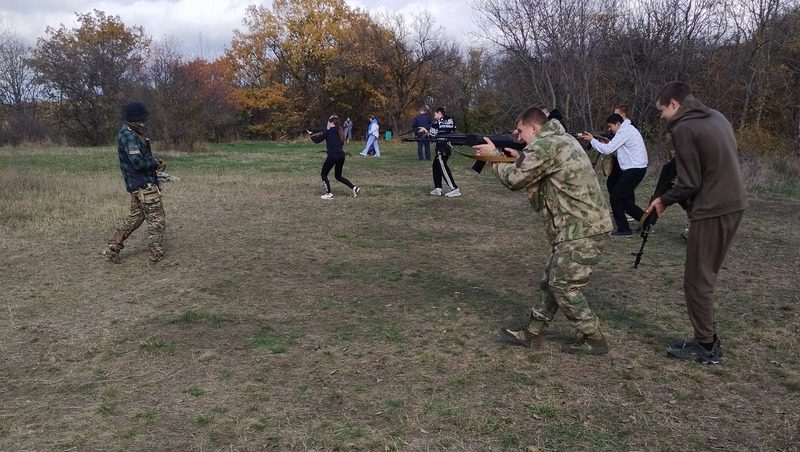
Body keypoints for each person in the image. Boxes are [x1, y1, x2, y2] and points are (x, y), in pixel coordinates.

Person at [473, 106, 613, 354]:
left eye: (520, 130)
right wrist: (518, 158)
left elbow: (515, 180)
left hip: (581, 228)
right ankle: (532, 332)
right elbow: (542, 168)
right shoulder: (561, 140)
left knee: (563, 285)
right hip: (577, 227)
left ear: (534, 127)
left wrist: (493, 156)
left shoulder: (546, 145)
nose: (517, 136)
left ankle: (593, 337)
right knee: (551, 280)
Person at [645, 81, 747, 364]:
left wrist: (663, 200)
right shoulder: (716, 116)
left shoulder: (684, 128)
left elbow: (689, 182)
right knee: (704, 277)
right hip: (734, 203)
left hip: (713, 209)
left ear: (674, 104)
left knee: (697, 281)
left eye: (661, 110)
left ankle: (706, 345)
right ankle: (706, 339)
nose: (661, 116)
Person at [102, 101, 166, 265]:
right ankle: (156, 256)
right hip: (143, 185)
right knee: (157, 220)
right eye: (142, 116)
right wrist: (155, 162)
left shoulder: (133, 132)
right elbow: (137, 163)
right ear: (136, 117)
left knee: (135, 219)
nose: (145, 119)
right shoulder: (129, 136)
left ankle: (112, 249)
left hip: (139, 185)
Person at [580, 113, 649, 237]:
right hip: (637, 168)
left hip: (634, 169)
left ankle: (624, 229)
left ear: (618, 124)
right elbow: (619, 153)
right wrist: (604, 142)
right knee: (625, 201)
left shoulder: (624, 131)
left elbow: (607, 150)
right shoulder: (627, 130)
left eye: (610, 126)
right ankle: (647, 220)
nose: (609, 129)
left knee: (615, 197)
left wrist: (593, 141)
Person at [312, 114, 361, 200]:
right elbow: (337, 145)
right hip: (341, 155)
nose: (327, 123)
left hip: (333, 155)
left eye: (328, 122)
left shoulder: (328, 131)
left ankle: (329, 194)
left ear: (331, 123)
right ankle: (354, 188)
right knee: (338, 176)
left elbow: (317, 140)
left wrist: (311, 134)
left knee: (323, 174)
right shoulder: (339, 132)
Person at [418, 106, 460, 197]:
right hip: (447, 146)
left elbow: (431, 136)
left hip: (441, 148)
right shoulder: (451, 120)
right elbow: (452, 129)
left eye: (435, 115)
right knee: (435, 165)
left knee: (443, 167)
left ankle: (454, 188)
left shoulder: (436, 123)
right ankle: (438, 188)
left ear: (440, 113)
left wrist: (425, 130)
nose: (434, 117)